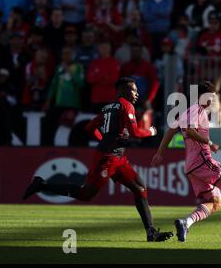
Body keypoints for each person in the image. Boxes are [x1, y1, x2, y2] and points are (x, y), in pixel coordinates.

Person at [23, 77, 174, 242]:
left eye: (137, 90)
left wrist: (105, 138)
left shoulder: (108, 107)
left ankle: (151, 232)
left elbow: (89, 128)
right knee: (86, 194)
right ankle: (42, 184)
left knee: (140, 188)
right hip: (107, 158)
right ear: (122, 90)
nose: (137, 93)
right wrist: (150, 132)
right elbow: (135, 133)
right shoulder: (126, 105)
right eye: (133, 90)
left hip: (117, 156)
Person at [151, 81, 221, 242]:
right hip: (202, 160)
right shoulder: (197, 110)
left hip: (192, 166)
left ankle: (185, 222)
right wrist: (209, 143)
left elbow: (170, 131)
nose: (213, 100)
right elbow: (190, 130)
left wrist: (160, 153)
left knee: (214, 202)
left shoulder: (186, 111)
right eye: (211, 96)